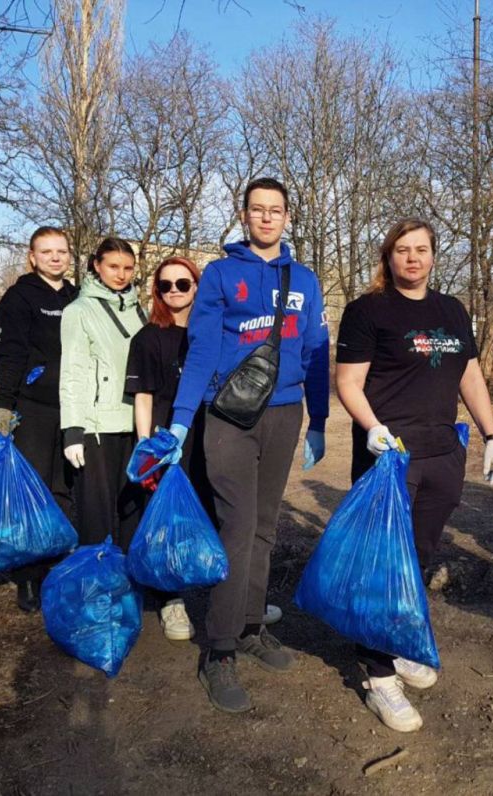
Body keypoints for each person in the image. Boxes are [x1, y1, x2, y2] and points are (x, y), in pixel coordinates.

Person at [335, 217, 493, 733]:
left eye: (422, 250)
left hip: (442, 454)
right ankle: (377, 672)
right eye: (402, 250)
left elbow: (469, 374)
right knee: (384, 562)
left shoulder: (450, 310)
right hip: (390, 454)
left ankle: (400, 642)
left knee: (419, 556)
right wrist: (372, 429)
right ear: (388, 258)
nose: (413, 258)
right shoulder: (368, 311)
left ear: (434, 255)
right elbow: (348, 381)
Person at [168, 177, 329, 713]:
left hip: (284, 414)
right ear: (244, 215)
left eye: (275, 210)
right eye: (257, 210)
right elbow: (201, 350)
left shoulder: (303, 279)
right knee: (236, 527)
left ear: (287, 218)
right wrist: (181, 422)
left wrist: (320, 419)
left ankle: (253, 625)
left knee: (264, 527)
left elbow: (314, 352)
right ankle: (219, 650)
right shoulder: (219, 274)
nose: (266, 218)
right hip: (229, 416)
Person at [0, 226, 78, 612]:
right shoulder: (20, 297)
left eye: (61, 251)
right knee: (33, 489)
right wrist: (4, 403)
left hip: (75, 407)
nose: (55, 258)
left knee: (66, 488)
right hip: (36, 406)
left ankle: (58, 564)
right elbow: (9, 354)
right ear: (32, 256)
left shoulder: (78, 296)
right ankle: (28, 577)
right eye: (47, 252)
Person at [124, 256, 204, 641]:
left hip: (211, 435)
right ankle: (171, 600)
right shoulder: (148, 337)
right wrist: (146, 446)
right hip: (168, 442)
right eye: (166, 285)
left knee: (210, 513)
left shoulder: (210, 333)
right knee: (168, 520)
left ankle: (235, 596)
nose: (174, 291)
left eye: (183, 284)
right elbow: (143, 395)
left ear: (197, 287)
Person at [59, 237, 146, 549]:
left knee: (133, 510)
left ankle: (129, 583)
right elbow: (73, 372)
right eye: (113, 267)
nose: (121, 275)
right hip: (97, 426)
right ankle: (95, 587)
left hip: (135, 424)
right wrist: (73, 429)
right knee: (96, 515)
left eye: (128, 268)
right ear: (97, 266)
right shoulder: (79, 310)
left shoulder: (140, 310)